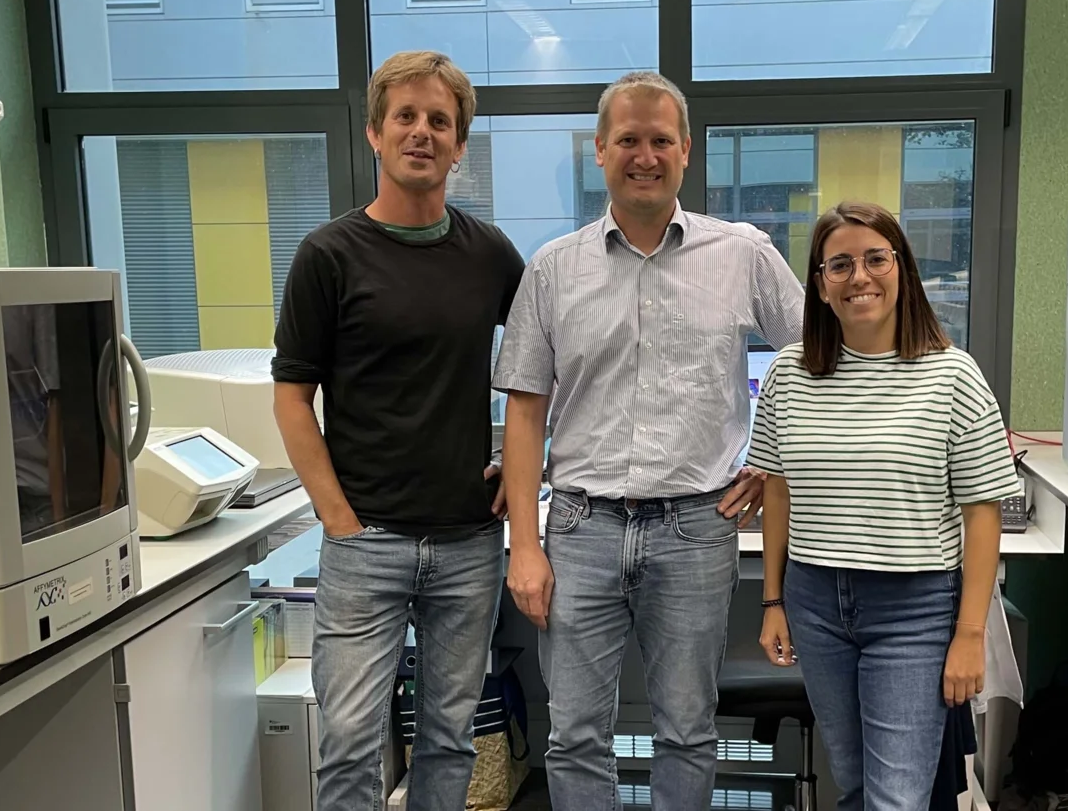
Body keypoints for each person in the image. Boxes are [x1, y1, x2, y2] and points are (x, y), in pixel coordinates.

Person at [494, 71, 804, 810]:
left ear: (685, 150)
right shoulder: (553, 268)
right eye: (628, 139)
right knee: (575, 734)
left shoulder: (743, 253)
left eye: (661, 140)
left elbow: (813, 363)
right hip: (580, 528)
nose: (645, 155)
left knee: (687, 731)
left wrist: (770, 460)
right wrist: (526, 545)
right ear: (600, 151)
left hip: (696, 527)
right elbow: (525, 412)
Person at [270, 50, 524, 811]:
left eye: (439, 121)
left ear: (459, 145)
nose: (422, 132)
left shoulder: (489, 254)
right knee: (349, 741)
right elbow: (292, 399)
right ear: (375, 134)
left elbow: (545, 370)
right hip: (365, 543)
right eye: (405, 116)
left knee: (448, 739)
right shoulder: (328, 255)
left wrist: (525, 472)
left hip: (467, 541)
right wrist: (337, 519)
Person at [748, 200, 1018, 810]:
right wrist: (773, 600)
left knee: (897, 798)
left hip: (914, 609)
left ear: (902, 269)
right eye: (839, 265)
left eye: (876, 259)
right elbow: (778, 489)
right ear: (820, 284)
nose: (859, 277)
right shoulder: (789, 373)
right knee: (855, 785)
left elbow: (983, 513)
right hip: (815, 601)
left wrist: (969, 634)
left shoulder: (953, 375)